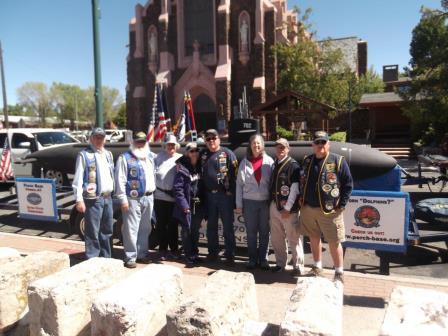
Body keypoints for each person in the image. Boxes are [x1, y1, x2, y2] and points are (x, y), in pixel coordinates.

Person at [299, 130, 353, 283]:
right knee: (313, 238)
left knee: (334, 241)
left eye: (323, 142)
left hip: (330, 210)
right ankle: (317, 267)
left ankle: (339, 272)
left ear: (328, 144)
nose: (320, 145)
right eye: (317, 142)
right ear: (313, 145)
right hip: (308, 208)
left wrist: (342, 205)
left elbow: (348, 184)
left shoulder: (338, 161)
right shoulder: (307, 160)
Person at [115, 131, 156, 268]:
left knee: (145, 228)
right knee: (131, 228)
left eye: (143, 142)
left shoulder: (150, 157)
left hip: (149, 197)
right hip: (132, 199)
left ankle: (142, 254)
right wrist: (123, 199)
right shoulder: (125, 158)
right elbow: (119, 179)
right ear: (133, 142)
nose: (140, 144)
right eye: (138, 141)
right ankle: (130, 257)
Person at [72, 127, 115, 259]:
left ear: (104, 139)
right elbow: (78, 178)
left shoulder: (108, 154)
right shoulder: (84, 155)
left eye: (101, 137)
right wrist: (78, 199)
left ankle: (106, 257)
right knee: (92, 232)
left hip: (108, 198)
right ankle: (92, 258)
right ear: (91, 138)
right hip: (93, 199)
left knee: (107, 231)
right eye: (96, 137)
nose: (99, 140)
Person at [236, 134, 274, 270]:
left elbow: (273, 184)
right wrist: (239, 205)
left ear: (262, 145)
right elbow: (239, 185)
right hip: (249, 202)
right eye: (253, 143)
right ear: (250, 146)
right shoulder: (244, 163)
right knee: (251, 232)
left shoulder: (269, 162)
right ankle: (252, 259)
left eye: (258, 143)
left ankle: (263, 259)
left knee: (265, 232)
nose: (256, 145)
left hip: (265, 202)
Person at [201, 129, 238, 262]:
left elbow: (235, 175)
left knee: (227, 226)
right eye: (208, 139)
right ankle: (213, 252)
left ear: (219, 139)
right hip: (209, 196)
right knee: (211, 226)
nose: (211, 141)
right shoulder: (203, 154)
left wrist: (232, 193)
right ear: (205, 141)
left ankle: (230, 254)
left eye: (213, 138)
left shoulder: (227, 153)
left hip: (224, 196)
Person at [269, 138, 304, 275]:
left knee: (293, 238)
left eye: (283, 147)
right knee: (277, 238)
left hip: (288, 208)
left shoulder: (293, 166)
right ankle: (280, 263)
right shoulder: (274, 164)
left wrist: (288, 208)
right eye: (278, 147)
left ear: (288, 149)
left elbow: (295, 189)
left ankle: (298, 266)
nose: (280, 150)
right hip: (275, 205)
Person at [173, 142, 204, 266]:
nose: (194, 153)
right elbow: (177, 189)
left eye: (196, 150)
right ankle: (188, 255)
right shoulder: (182, 168)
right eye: (191, 151)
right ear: (186, 153)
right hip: (186, 205)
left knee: (195, 231)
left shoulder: (200, 165)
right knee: (186, 231)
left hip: (198, 205)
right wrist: (184, 206)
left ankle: (195, 254)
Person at [154, 134, 182, 260]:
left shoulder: (181, 158)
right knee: (161, 225)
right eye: (169, 144)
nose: (171, 147)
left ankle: (174, 250)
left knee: (173, 225)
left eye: (173, 145)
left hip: (174, 198)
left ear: (176, 146)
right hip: (159, 197)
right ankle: (162, 250)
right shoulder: (158, 157)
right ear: (165, 146)